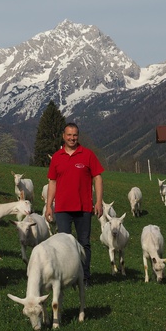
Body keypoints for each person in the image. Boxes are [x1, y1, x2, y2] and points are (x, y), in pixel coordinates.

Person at [45, 122, 104, 286]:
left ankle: (84, 277)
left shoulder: (88, 155)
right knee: (63, 245)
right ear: (63, 136)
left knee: (84, 243)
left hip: (84, 207)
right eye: (69, 135)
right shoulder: (57, 157)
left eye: (75, 135)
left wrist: (98, 201)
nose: (72, 138)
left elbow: (98, 177)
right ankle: (66, 277)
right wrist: (49, 205)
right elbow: (52, 182)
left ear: (78, 136)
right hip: (62, 208)